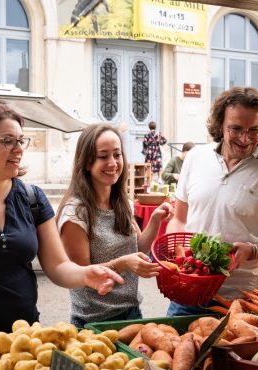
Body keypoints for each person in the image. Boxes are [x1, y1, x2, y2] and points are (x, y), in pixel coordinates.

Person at [0, 101, 123, 342]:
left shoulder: (33, 199)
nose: (18, 148)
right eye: (7, 141)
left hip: (23, 340)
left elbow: (58, 266)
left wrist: (85, 274)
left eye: (21, 140)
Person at [166, 86, 258, 316]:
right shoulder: (195, 158)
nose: (245, 139)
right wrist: (181, 256)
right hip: (187, 294)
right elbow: (179, 219)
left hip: (241, 300)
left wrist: (252, 251)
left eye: (254, 130)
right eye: (236, 129)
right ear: (220, 124)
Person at [56, 123, 173, 328]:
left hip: (132, 314)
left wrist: (154, 220)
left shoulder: (122, 202)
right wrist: (124, 263)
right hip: (92, 323)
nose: (113, 163)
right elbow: (81, 276)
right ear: (86, 162)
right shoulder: (75, 213)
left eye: (117, 155)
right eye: (103, 156)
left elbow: (138, 249)